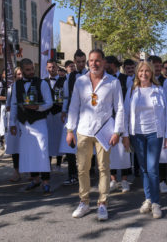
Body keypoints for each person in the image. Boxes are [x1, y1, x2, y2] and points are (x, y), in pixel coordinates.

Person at [66, 49, 124, 221]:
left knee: (103, 168)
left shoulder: (113, 82)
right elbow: (73, 106)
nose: (93, 63)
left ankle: (102, 203)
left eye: (97, 60)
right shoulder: (80, 81)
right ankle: (84, 202)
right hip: (83, 131)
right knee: (82, 169)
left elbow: (120, 108)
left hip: (104, 133)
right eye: (91, 60)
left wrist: (117, 131)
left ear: (104, 62)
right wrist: (70, 130)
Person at [122, 61, 167, 219]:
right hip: (137, 134)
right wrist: (126, 135)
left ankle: (156, 203)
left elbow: (166, 115)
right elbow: (125, 114)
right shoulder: (132, 91)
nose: (144, 74)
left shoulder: (158, 90)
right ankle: (148, 199)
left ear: (151, 73)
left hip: (154, 134)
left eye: (147, 71)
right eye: (141, 71)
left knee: (152, 169)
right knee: (143, 169)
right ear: (137, 73)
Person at [9, 58, 53, 195]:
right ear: (21, 71)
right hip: (24, 124)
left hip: (39, 123)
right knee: (29, 153)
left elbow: (49, 102)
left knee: (42, 151)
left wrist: (37, 107)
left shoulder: (42, 83)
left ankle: (46, 182)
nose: (31, 72)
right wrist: (12, 123)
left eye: (32, 69)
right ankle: (35, 179)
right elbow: (14, 105)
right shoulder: (16, 85)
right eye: (27, 70)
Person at [59, 50, 88, 185]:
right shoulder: (69, 77)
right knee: (70, 145)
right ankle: (72, 174)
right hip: (72, 114)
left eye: (83, 61)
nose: (81, 64)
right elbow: (66, 96)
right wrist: (64, 111)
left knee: (86, 146)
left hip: (87, 115)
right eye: (78, 62)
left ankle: (88, 172)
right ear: (75, 62)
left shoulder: (91, 75)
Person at [104, 55, 132, 193]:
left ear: (113, 64)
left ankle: (125, 180)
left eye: (106, 64)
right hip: (108, 120)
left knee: (123, 151)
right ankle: (113, 179)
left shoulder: (126, 79)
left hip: (121, 118)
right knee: (111, 150)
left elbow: (129, 101)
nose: (104, 66)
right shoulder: (105, 79)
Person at [148, 56, 167, 193]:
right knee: (150, 156)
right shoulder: (142, 81)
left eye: (159, 66)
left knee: (162, 154)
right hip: (146, 123)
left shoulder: (165, 83)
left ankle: (163, 181)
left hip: (160, 121)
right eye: (154, 66)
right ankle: (151, 182)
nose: (157, 68)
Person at [44, 59, 65, 172]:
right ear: (47, 68)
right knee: (48, 140)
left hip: (58, 113)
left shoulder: (63, 80)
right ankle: (48, 164)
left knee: (59, 138)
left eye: (54, 67)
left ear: (57, 67)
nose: (52, 69)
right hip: (47, 114)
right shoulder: (44, 81)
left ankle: (58, 164)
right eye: (50, 67)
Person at [4, 67, 23, 182]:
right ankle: (16, 171)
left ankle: (31, 171)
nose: (20, 76)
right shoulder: (11, 88)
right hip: (15, 120)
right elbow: (8, 105)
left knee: (26, 146)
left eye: (22, 74)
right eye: (18, 74)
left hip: (27, 120)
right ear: (15, 76)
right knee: (15, 147)